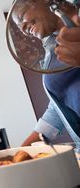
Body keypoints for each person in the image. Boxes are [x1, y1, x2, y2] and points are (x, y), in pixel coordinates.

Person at [11, 0, 80, 148]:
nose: (23, 28)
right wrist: (25, 149)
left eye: (22, 15)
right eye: (18, 26)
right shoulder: (51, 51)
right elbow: (59, 105)